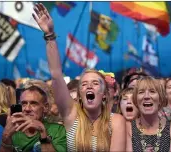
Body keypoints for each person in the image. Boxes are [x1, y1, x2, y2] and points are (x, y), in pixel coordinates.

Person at [32, 3, 126, 151]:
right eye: (84, 84)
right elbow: (56, 75)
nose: (89, 86)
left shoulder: (116, 121)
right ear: (80, 95)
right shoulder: (71, 115)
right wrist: (50, 36)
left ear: (104, 94)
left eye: (95, 83)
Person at [0, 82, 67, 152]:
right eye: (24, 104)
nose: (27, 109)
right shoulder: (13, 130)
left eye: (33, 104)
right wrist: (6, 136)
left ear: (46, 107)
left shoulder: (58, 130)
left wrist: (43, 133)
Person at [126, 76, 171, 151]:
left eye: (152, 91)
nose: (146, 96)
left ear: (160, 99)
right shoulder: (128, 128)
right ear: (136, 100)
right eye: (141, 92)